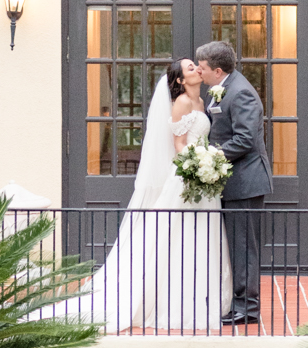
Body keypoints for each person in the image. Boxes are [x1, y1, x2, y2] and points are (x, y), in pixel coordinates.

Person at [83, 57, 230, 333]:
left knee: (201, 236)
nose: (196, 69)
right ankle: (172, 301)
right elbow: (179, 144)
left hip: (204, 180)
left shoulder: (202, 102)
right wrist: (198, 166)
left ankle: (202, 295)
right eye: (189, 68)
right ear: (180, 81)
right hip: (188, 178)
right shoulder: (182, 103)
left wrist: (210, 164)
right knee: (176, 237)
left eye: (195, 66)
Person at [195, 39, 272, 327]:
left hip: (246, 183)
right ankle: (236, 302)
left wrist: (208, 156)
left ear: (217, 70)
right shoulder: (222, 88)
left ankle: (247, 310)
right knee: (235, 247)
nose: (199, 73)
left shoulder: (241, 93)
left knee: (244, 248)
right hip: (232, 182)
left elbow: (245, 139)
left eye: (202, 68)